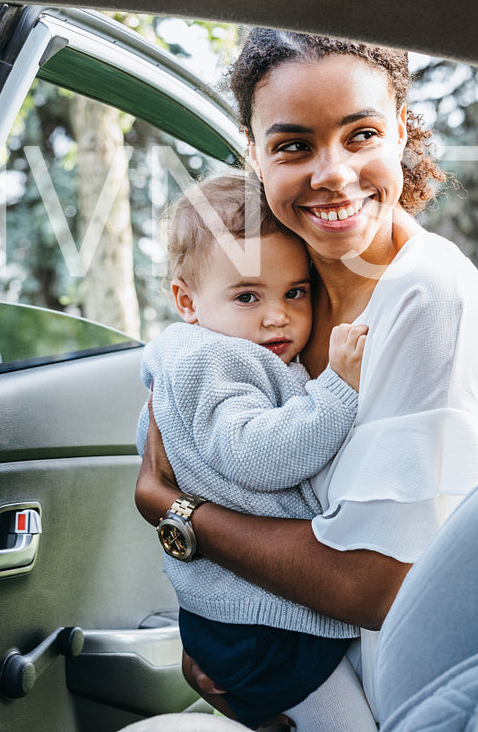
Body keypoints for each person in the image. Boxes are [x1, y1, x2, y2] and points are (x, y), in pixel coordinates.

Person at [137, 29, 478, 725]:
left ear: (400, 131)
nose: (333, 174)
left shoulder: (428, 297)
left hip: (408, 695)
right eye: (293, 145)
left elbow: (372, 583)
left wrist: (174, 511)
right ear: (253, 153)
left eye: (361, 134)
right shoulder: (292, 281)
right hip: (297, 671)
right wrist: (226, 643)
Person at [136, 172, 373, 728]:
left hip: (242, 615)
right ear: (186, 300)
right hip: (258, 626)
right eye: (248, 296)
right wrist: (337, 392)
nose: (277, 315)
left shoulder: (214, 354)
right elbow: (257, 457)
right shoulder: (213, 359)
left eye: (295, 292)